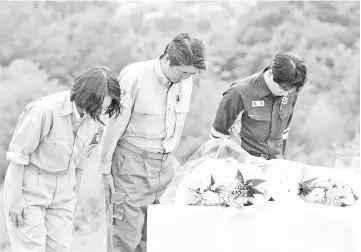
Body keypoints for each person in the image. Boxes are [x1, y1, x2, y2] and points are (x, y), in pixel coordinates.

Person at [98, 33, 207, 252]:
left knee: (156, 238)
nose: (186, 78)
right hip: (131, 166)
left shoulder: (186, 81)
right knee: (125, 239)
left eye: (192, 74)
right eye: (183, 72)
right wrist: (104, 169)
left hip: (165, 168)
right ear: (167, 58)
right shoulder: (134, 76)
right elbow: (114, 126)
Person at [4, 66, 122, 252]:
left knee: (60, 248)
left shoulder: (92, 120)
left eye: (106, 108)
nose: (102, 112)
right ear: (88, 97)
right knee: (31, 248)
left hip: (64, 192)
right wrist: (15, 200)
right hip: (31, 188)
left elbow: (81, 164)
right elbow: (18, 156)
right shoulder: (45, 111)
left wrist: (73, 199)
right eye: (100, 106)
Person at [211, 52, 308, 160]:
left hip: (273, 167)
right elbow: (218, 137)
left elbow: (284, 133)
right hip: (242, 165)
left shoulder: (291, 91)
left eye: (292, 90)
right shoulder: (238, 93)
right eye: (284, 89)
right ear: (271, 74)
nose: (287, 93)